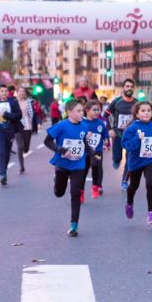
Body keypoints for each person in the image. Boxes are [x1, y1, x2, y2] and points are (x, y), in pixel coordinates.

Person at [44, 99, 91, 236]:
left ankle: (74, 224)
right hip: (63, 165)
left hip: (78, 164)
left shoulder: (84, 127)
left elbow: (83, 144)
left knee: (76, 193)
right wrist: (61, 149)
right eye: (79, 111)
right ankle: (56, 182)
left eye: (82, 110)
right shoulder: (61, 126)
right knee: (59, 193)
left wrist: (94, 152)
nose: (82, 113)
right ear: (69, 112)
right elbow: (47, 141)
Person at [121, 101, 152, 224]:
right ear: (137, 113)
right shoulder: (132, 128)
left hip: (150, 160)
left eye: (149, 110)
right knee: (133, 186)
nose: (146, 113)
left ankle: (151, 213)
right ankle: (129, 202)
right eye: (143, 111)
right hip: (136, 162)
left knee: (150, 183)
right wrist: (138, 138)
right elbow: (125, 144)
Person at [0, 86, 22, 185]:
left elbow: (19, 115)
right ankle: (2, 174)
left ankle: (4, 169)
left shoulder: (13, 102)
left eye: (6, 91)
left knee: (6, 152)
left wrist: (6, 115)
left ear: (8, 93)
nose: (4, 93)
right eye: (2, 91)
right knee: (0, 151)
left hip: (10, 130)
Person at [107, 79, 138, 190]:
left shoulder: (137, 103)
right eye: (127, 86)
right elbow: (106, 115)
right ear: (123, 88)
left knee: (130, 159)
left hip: (132, 136)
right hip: (118, 134)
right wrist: (110, 129)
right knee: (117, 158)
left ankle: (125, 181)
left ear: (133, 89)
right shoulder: (116, 102)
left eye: (131, 86)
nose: (129, 88)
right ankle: (116, 160)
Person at [82, 100, 107, 200]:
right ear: (87, 110)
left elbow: (104, 134)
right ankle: (81, 192)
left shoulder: (101, 123)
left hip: (97, 150)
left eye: (98, 110)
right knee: (83, 171)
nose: (97, 112)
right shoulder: (82, 123)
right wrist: (85, 137)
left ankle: (95, 187)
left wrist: (105, 140)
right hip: (84, 151)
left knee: (96, 167)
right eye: (94, 110)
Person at [15, 87, 35, 174]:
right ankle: (21, 167)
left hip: (27, 126)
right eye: (20, 91)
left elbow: (31, 115)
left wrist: (31, 123)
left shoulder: (28, 102)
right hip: (17, 127)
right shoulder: (14, 103)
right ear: (17, 93)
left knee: (26, 149)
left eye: (23, 91)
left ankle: (25, 150)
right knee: (20, 146)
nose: (22, 93)